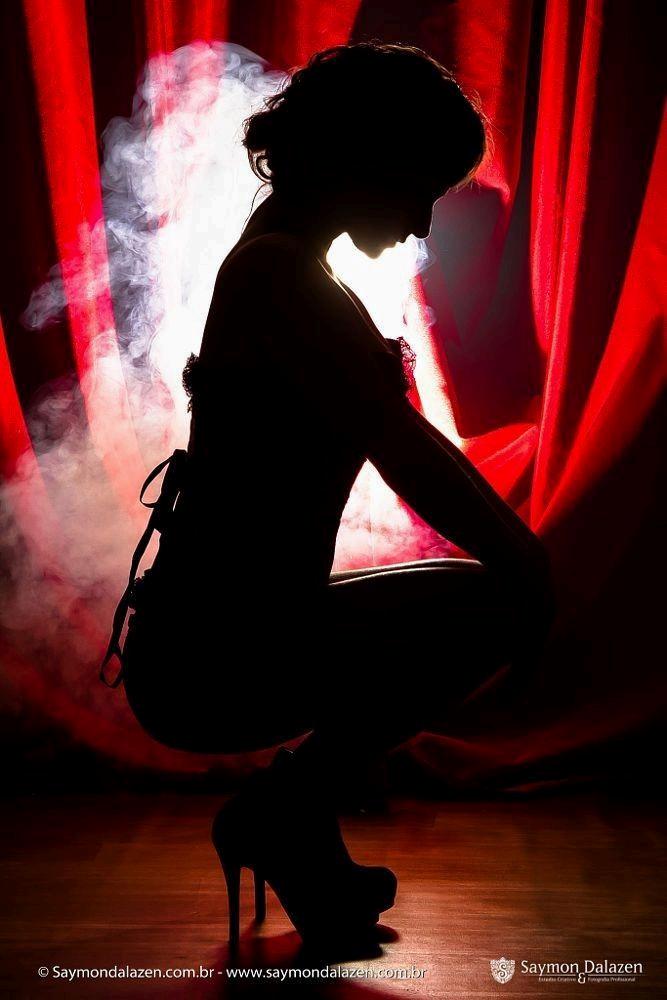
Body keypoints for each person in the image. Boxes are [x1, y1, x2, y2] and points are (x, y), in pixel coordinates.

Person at [108, 42, 554, 953]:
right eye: (415, 186)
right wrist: (528, 564)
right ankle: (288, 813)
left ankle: (290, 819)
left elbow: (397, 441)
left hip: (239, 631)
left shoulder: (285, 265)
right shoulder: (279, 274)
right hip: (214, 655)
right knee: (500, 602)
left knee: (488, 596)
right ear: (355, 159)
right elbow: (406, 453)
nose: (421, 220)